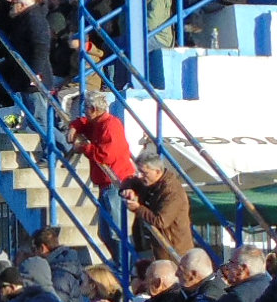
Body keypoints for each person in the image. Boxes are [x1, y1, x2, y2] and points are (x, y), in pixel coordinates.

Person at [68, 92, 135, 261]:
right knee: (105, 232)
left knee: (116, 231)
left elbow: (106, 156)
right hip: (106, 183)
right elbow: (85, 124)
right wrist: (75, 125)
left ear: (93, 109)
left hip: (115, 182)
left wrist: (84, 147)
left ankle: (126, 267)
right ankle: (121, 265)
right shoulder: (99, 123)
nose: (84, 113)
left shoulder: (110, 125)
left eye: (86, 109)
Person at [124, 150, 195, 263]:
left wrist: (138, 209)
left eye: (144, 173)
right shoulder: (150, 182)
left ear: (157, 172)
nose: (140, 176)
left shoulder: (172, 192)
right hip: (154, 246)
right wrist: (127, 188)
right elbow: (131, 181)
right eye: (139, 172)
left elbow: (161, 221)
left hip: (172, 251)